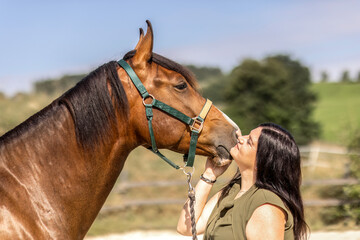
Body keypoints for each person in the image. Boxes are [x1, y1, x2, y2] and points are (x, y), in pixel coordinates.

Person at [177, 123, 308, 240]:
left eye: (249, 141)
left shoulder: (265, 206)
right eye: (247, 135)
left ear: (262, 161)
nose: (240, 138)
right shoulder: (234, 190)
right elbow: (186, 227)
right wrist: (209, 175)